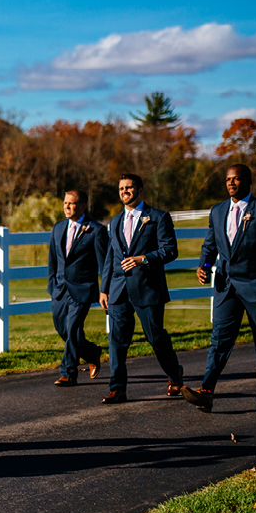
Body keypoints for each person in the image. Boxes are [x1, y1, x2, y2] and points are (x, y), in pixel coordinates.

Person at [181, 164, 256, 412]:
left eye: (237, 179)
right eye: (228, 179)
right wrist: (204, 266)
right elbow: (210, 246)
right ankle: (206, 391)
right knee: (219, 339)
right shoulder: (217, 211)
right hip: (226, 287)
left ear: (249, 181)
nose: (231, 183)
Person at [99, 173, 184, 404]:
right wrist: (104, 288)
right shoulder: (114, 222)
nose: (124, 191)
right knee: (116, 341)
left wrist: (143, 259)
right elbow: (110, 257)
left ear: (140, 190)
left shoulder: (157, 217)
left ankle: (175, 376)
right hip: (118, 290)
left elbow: (170, 250)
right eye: (121, 188)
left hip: (148, 288)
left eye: (129, 187)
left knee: (155, 337)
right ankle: (117, 389)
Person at [46, 190, 108, 386]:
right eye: (65, 203)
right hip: (59, 289)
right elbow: (53, 260)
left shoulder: (95, 230)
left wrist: (104, 290)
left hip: (82, 289)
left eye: (71, 204)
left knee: (72, 328)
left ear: (82, 206)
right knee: (62, 329)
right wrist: (51, 284)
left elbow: (104, 263)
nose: (67, 207)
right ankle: (91, 352)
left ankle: (68, 373)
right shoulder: (57, 228)